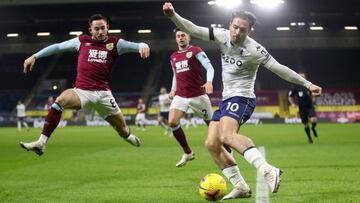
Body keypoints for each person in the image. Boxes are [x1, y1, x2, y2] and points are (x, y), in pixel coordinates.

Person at [163, 3, 322, 199]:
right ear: (230, 25)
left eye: (243, 30)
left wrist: (308, 84)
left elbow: (280, 68)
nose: (237, 32)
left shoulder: (254, 49)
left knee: (227, 136)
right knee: (212, 143)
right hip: (226, 99)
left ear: (249, 30)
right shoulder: (222, 35)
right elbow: (193, 29)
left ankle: (267, 169)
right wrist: (173, 15)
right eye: (235, 27)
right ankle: (241, 187)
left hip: (243, 97)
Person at [20, 13, 150, 156]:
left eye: (103, 28)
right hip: (82, 91)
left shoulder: (116, 44)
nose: (100, 32)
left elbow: (136, 45)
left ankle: (128, 137)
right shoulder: (81, 41)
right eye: (97, 29)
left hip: (104, 94)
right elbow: (58, 47)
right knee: (60, 101)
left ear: (108, 27)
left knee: (122, 129)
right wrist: (35, 56)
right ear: (90, 30)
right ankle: (41, 143)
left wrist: (143, 45)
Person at [168, 28, 215, 167]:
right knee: (172, 122)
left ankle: (225, 147)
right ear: (176, 39)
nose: (181, 38)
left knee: (211, 125)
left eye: (183, 35)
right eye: (178, 36)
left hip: (198, 96)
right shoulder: (173, 56)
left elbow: (209, 67)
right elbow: (175, 75)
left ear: (188, 38)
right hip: (181, 95)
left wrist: (209, 81)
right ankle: (188, 152)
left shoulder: (196, 50)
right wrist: (173, 89)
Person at [288, 72, 318, 144]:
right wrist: (292, 104)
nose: (302, 78)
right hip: (302, 108)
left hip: (310, 106)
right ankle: (310, 138)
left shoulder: (309, 85)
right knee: (306, 124)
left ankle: (313, 128)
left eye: (303, 77)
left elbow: (314, 93)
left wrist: (314, 98)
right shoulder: (295, 87)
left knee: (313, 120)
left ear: (305, 78)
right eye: (301, 77)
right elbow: (290, 96)